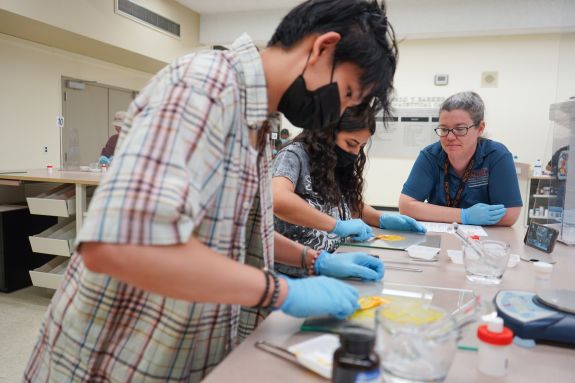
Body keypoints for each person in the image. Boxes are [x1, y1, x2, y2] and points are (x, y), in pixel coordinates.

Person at [23, 1, 398, 381]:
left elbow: (234, 236)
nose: (337, 114)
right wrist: (281, 291)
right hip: (114, 359)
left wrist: (315, 262)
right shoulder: (205, 86)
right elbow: (121, 247)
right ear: (322, 48)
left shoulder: (258, 121)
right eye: (347, 93)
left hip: (183, 354)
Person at [273, 106, 425, 277]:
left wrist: (380, 218)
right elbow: (279, 199)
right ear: (327, 132)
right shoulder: (293, 155)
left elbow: (344, 202)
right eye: (351, 143)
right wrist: (336, 226)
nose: (355, 152)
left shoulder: (332, 159)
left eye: (362, 146)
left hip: (334, 263)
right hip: (296, 272)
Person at [399, 91, 522, 226]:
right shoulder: (430, 156)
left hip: (483, 240)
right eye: (444, 129)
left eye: (460, 129)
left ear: (480, 128)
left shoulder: (497, 155)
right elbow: (406, 206)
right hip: (439, 236)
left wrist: (434, 213)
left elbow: (510, 214)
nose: (450, 137)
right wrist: (464, 216)